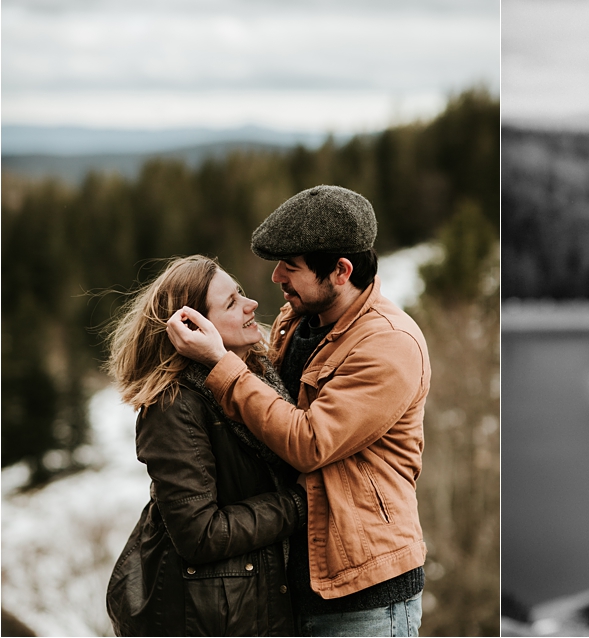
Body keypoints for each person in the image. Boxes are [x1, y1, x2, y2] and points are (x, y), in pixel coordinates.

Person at [166, 185, 430, 638]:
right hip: (295, 584)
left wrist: (219, 363)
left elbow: (308, 443)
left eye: (291, 267)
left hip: (365, 597)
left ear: (341, 271)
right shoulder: (298, 321)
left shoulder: (388, 344)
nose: (276, 279)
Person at [105, 255, 305, 636]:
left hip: (259, 600)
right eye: (231, 303)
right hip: (213, 617)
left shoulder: (261, 374)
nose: (252, 305)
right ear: (193, 328)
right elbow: (200, 534)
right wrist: (298, 504)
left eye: (241, 293)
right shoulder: (173, 405)